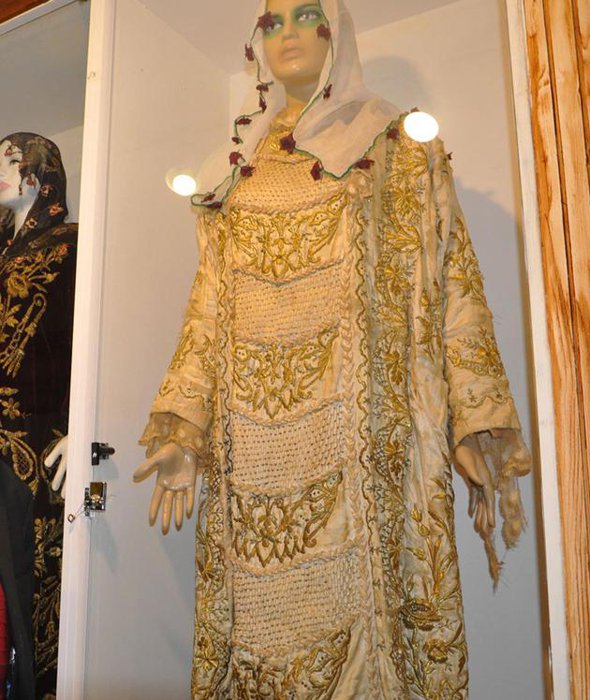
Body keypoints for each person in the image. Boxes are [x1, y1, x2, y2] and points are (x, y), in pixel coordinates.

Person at [134, 0, 531, 696]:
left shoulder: (397, 146)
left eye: (305, 14)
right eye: (272, 21)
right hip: (253, 453)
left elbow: (452, 279)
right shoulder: (238, 169)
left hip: (364, 442)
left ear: (337, 32)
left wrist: (474, 418)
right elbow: (208, 304)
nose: (286, 33)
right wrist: (185, 429)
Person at [0, 133, 77, 699]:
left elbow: (91, 339)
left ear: (39, 172)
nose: (1, 169)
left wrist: (84, 423)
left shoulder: (71, 245)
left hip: (32, 443)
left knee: (28, 588)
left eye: (10, 158)